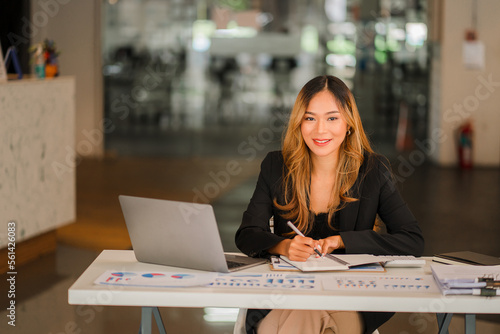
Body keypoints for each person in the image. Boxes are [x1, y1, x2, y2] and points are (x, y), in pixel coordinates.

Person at [235, 75, 424, 334]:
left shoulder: (373, 170)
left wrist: (342, 241)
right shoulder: (276, 166)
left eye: (332, 118)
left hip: (351, 298)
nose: (320, 130)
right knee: (304, 312)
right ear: (299, 123)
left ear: (348, 124)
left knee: (299, 317)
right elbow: (247, 235)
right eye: (310, 118)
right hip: (286, 293)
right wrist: (285, 246)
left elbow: (412, 240)